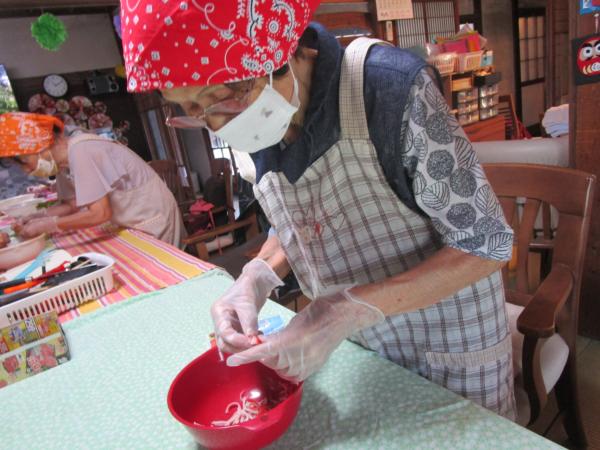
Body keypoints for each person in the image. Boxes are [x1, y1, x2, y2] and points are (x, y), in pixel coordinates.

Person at [121, 1, 516, 418]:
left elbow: (486, 244)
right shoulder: (259, 121)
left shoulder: (391, 89)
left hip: (451, 344)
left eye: (220, 98)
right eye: (189, 109)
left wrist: (344, 310)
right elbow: (306, 216)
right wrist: (257, 276)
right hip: (367, 353)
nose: (216, 124)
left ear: (281, 54)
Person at [0, 113, 185, 248]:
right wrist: (38, 217)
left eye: (24, 161)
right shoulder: (62, 163)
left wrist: (50, 225)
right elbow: (72, 204)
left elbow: (100, 213)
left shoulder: (82, 151)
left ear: (41, 146)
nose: (26, 170)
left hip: (152, 220)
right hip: (133, 221)